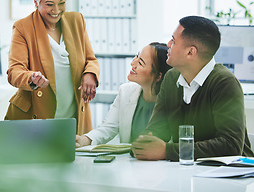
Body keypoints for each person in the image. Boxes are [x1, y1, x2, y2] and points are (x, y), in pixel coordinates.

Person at [132, 15, 254, 161]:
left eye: (174, 40)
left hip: (232, 175)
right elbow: (157, 130)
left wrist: (168, 151)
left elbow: (231, 145)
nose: (168, 44)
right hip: (186, 172)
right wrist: (145, 144)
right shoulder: (171, 78)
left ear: (190, 52)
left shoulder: (225, 83)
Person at [5, 0, 100, 135]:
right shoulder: (23, 28)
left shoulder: (76, 20)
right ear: (36, 1)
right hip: (36, 116)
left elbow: (90, 59)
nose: (56, 10)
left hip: (72, 117)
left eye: (62, 3)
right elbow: (14, 72)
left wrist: (90, 74)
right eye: (49, 4)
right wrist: (31, 78)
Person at [76, 42, 172, 147]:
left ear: (158, 76)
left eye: (140, 63)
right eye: (136, 56)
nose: (132, 63)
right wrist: (85, 140)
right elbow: (108, 127)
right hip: (129, 161)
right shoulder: (126, 91)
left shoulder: (173, 100)